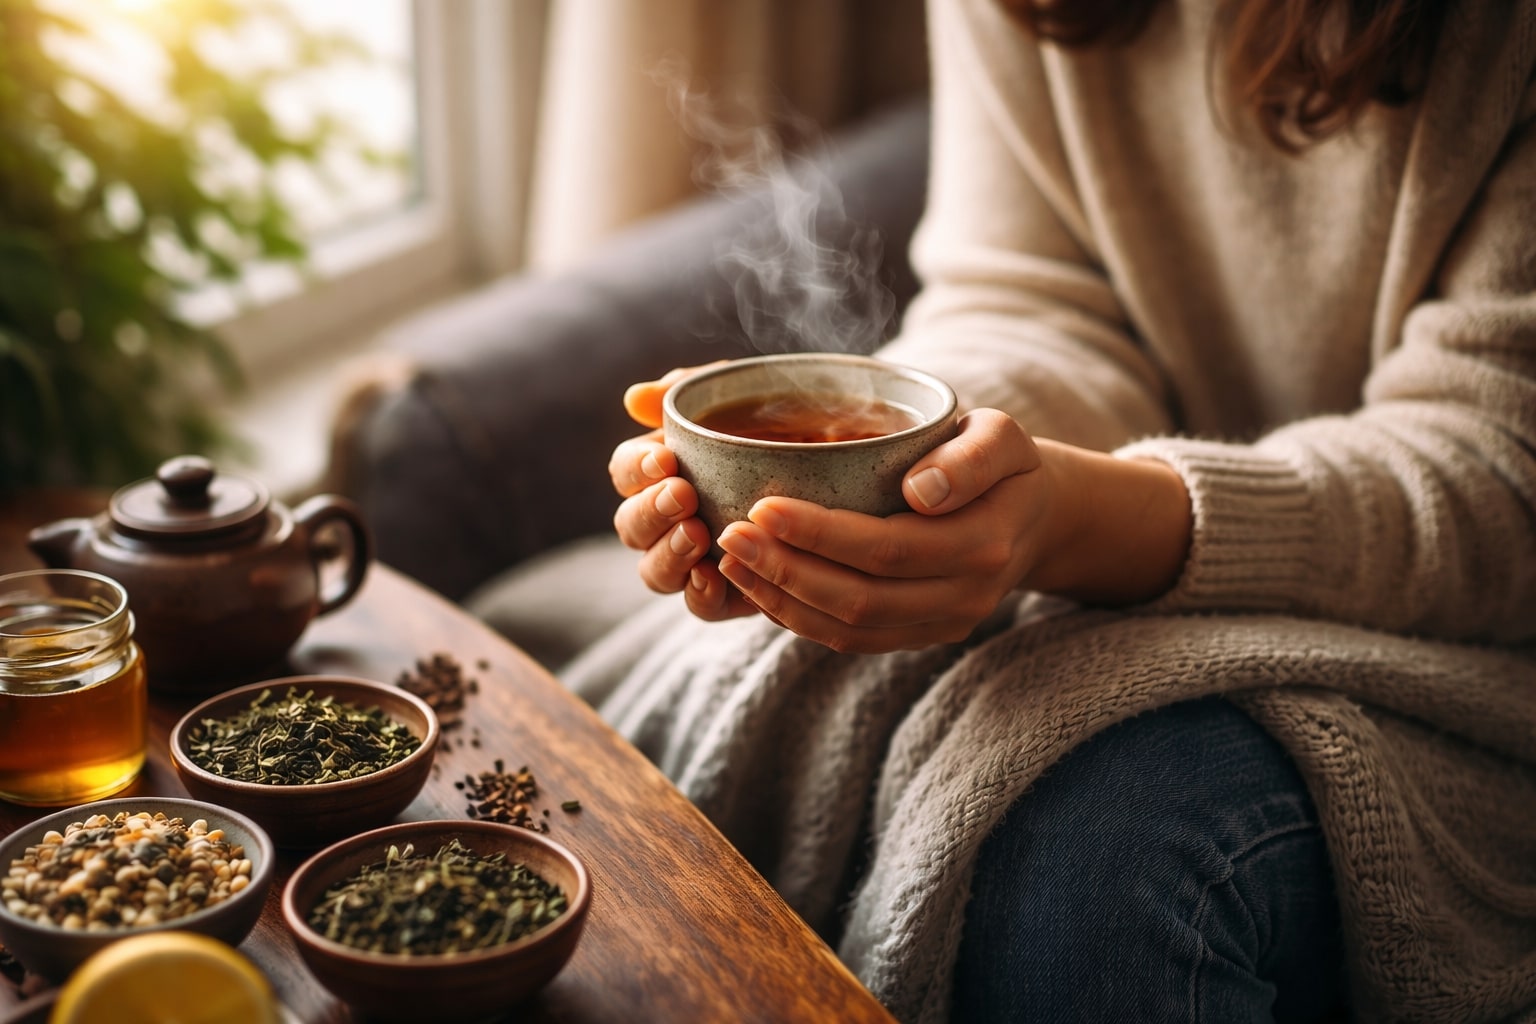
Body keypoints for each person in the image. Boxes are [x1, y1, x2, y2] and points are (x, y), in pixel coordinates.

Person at [574, 0, 1536, 1020]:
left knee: (1098, 850)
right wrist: (914, 468)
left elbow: (1503, 469)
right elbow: (1032, 298)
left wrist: (1080, 521)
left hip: (1477, 658)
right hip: (1169, 575)